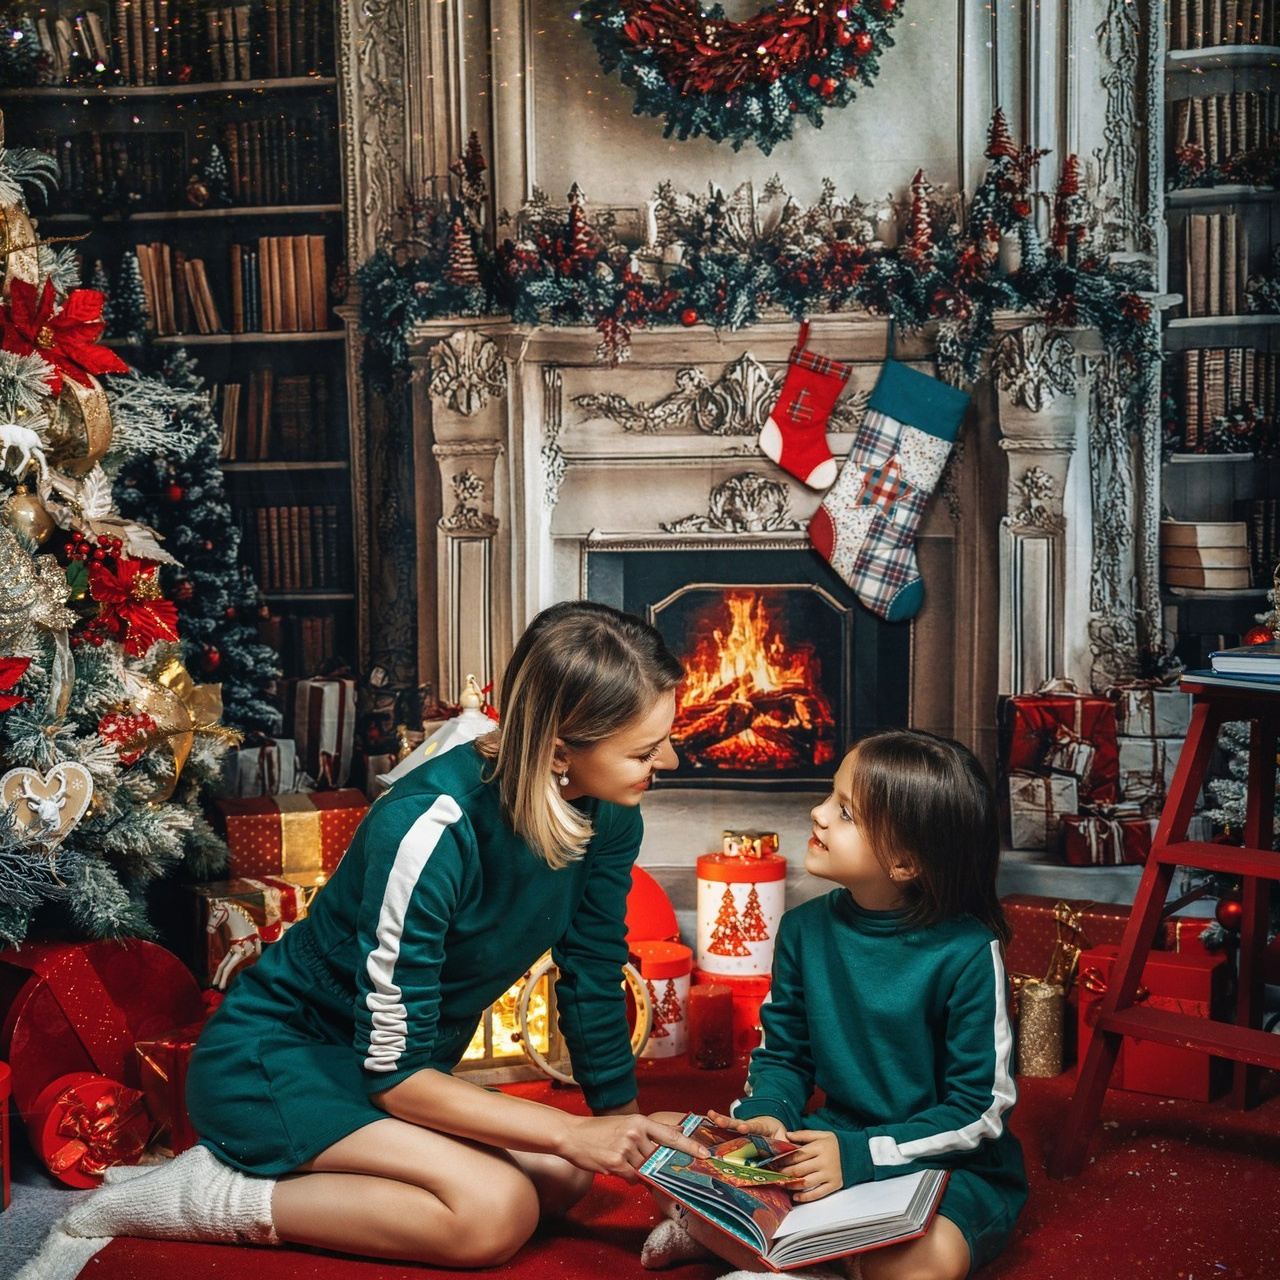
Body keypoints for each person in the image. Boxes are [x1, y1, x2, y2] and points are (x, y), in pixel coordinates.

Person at [28, 601, 709, 1274]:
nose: (670, 761)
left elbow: (590, 972)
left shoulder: (610, 816)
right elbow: (394, 1075)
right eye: (647, 750)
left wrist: (635, 1138)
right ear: (562, 747)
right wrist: (572, 1129)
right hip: (281, 1062)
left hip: (395, 1069)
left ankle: (355, 1177)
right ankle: (212, 1192)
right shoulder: (430, 826)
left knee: (564, 1179)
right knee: (493, 1214)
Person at [643, 729, 1027, 1280]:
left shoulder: (967, 953)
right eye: (829, 795)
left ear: (906, 864)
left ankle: (742, 1244)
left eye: (846, 813)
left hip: (938, 1163)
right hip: (823, 1144)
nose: (818, 814)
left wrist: (860, 1156)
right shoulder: (802, 930)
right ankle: (800, 1256)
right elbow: (784, 1057)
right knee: (657, 1137)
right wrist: (767, 1117)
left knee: (925, 1264)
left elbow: (981, 1109)